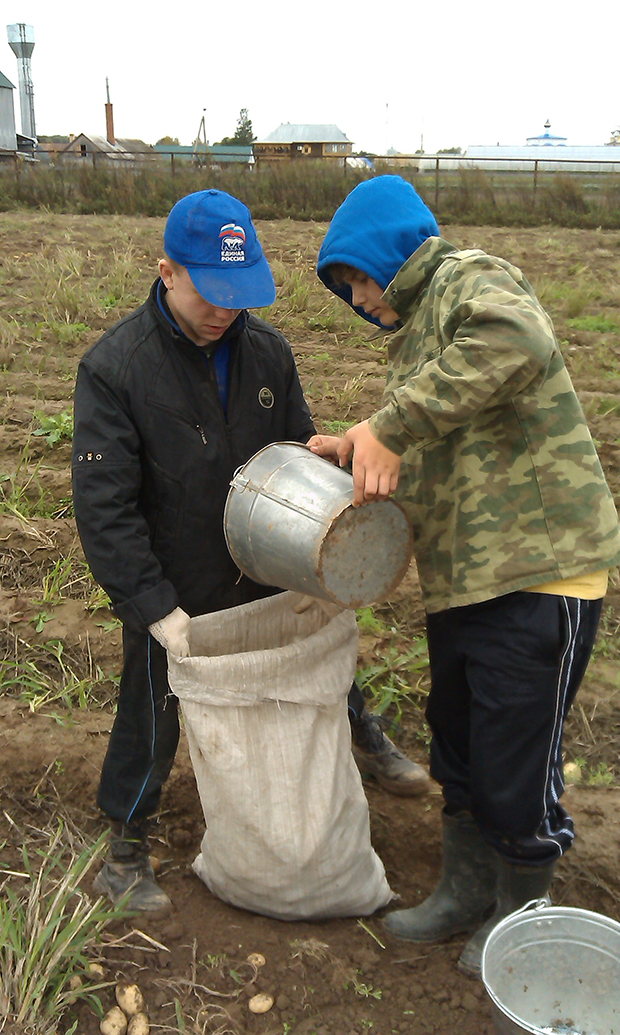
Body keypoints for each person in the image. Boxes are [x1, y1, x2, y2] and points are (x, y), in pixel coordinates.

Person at [72, 189, 428, 914]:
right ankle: (127, 842)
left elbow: (297, 452)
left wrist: (330, 530)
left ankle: (364, 735)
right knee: (152, 700)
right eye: (211, 290)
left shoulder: (268, 352)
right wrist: (150, 604)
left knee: (310, 655)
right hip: (179, 576)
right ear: (166, 271)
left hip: (268, 562)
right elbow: (104, 507)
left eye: (241, 292)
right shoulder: (116, 369)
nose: (227, 308)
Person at [309, 174, 620, 977]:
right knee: (461, 743)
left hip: (537, 572)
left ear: (387, 253)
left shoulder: (468, 279)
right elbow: (434, 429)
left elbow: (515, 341)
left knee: (518, 760)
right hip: (468, 580)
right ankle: (464, 886)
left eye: (358, 280)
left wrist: (390, 423)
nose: (360, 301)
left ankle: (521, 909)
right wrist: (358, 445)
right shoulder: (415, 334)